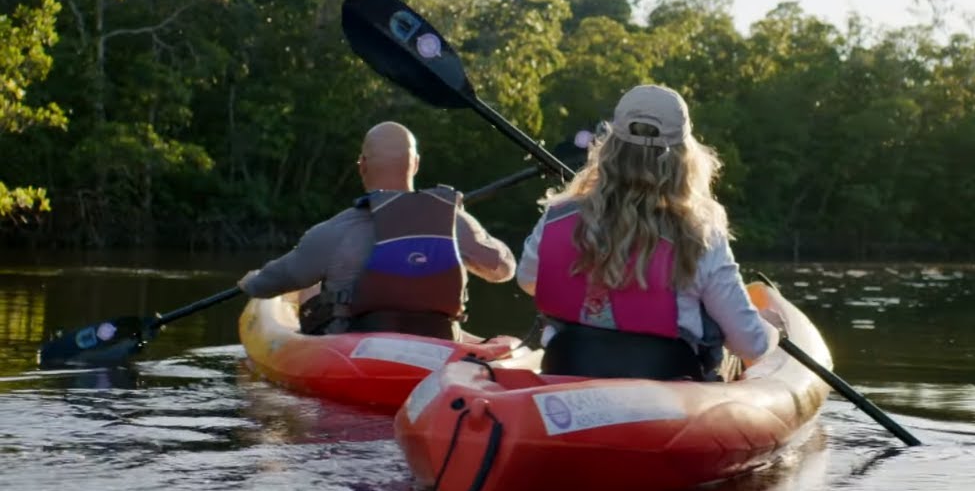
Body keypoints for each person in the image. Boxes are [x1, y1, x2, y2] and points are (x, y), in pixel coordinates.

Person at [515, 84, 782, 381]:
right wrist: (772, 330)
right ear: (684, 157)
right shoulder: (701, 234)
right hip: (667, 395)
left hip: (566, 374)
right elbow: (751, 345)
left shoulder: (559, 214)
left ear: (610, 148)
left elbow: (528, 280)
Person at [238, 121, 516, 339]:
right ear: (415, 164)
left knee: (307, 286)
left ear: (362, 166)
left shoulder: (335, 230)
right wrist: (465, 225)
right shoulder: (455, 222)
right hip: (438, 344)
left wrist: (250, 280)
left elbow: (270, 283)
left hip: (356, 350)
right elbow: (504, 269)